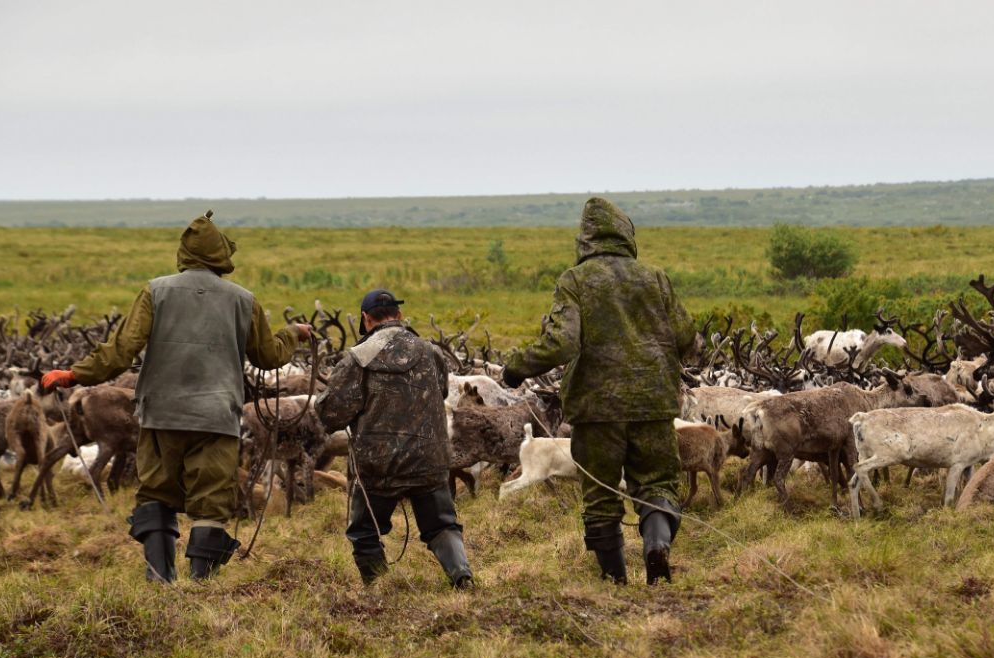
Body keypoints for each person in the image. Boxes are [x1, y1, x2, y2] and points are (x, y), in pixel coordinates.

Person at [42, 211, 311, 583]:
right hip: (217, 417)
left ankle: (159, 580)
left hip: (160, 414)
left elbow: (121, 350)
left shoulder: (156, 291)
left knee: (156, 492)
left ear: (184, 252)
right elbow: (268, 357)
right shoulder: (244, 300)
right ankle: (201, 583)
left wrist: (73, 374)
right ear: (222, 255)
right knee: (212, 498)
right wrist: (293, 334)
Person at [501, 197, 695, 585]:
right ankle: (656, 546)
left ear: (585, 240)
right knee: (657, 482)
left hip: (596, 408)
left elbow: (562, 343)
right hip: (654, 404)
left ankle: (615, 581)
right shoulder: (655, 278)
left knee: (601, 493)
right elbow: (687, 338)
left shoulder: (575, 280)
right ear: (626, 234)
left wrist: (516, 368)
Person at [315, 289, 473, 590]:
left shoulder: (357, 358)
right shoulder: (431, 352)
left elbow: (329, 415)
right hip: (430, 460)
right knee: (442, 525)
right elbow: (441, 391)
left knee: (364, 532)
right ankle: (461, 575)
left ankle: (380, 589)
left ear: (366, 319)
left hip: (379, 467)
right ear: (398, 315)